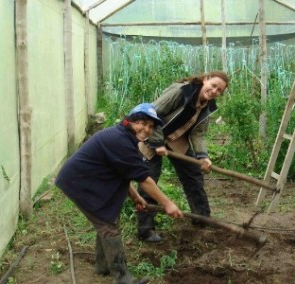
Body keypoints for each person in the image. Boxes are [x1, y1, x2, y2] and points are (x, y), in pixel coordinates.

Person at [55, 103, 183, 284]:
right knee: (108, 224)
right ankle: (123, 278)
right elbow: (144, 179)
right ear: (130, 120)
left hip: (88, 179)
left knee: (107, 220)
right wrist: (168, 204)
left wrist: (135, 197)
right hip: (79, 183)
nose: (146, 129)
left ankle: (103, 266)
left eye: (150, 126)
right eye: (142, 123)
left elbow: (123, 172)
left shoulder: (125, 138)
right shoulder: (119, 140)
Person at [137, 70, 229, 242]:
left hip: (176, 138)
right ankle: (145, 230)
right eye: (213, 85)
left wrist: (203, 156)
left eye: (219, 90)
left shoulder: (208, 105)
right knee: (149, 179)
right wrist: (157, 143)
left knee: (193, 175)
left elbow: (198, 133)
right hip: (151, 134)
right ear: (205, 79)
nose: (214, 91)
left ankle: (202, 217)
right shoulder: (182, 91)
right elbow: (152, 112)